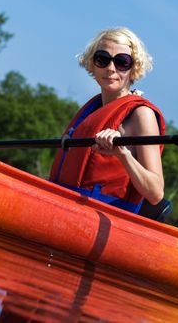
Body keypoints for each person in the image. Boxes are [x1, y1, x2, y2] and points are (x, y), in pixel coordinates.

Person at [49, 27, 167, 217]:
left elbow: (155, 193)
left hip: (104, 219)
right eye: (102, 59)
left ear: (133, 68)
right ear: (92, 64)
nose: (110, 68)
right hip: (64, 208)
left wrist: (123, 153)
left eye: (122, 62)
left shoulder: (141, 115)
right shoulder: (93, 110)